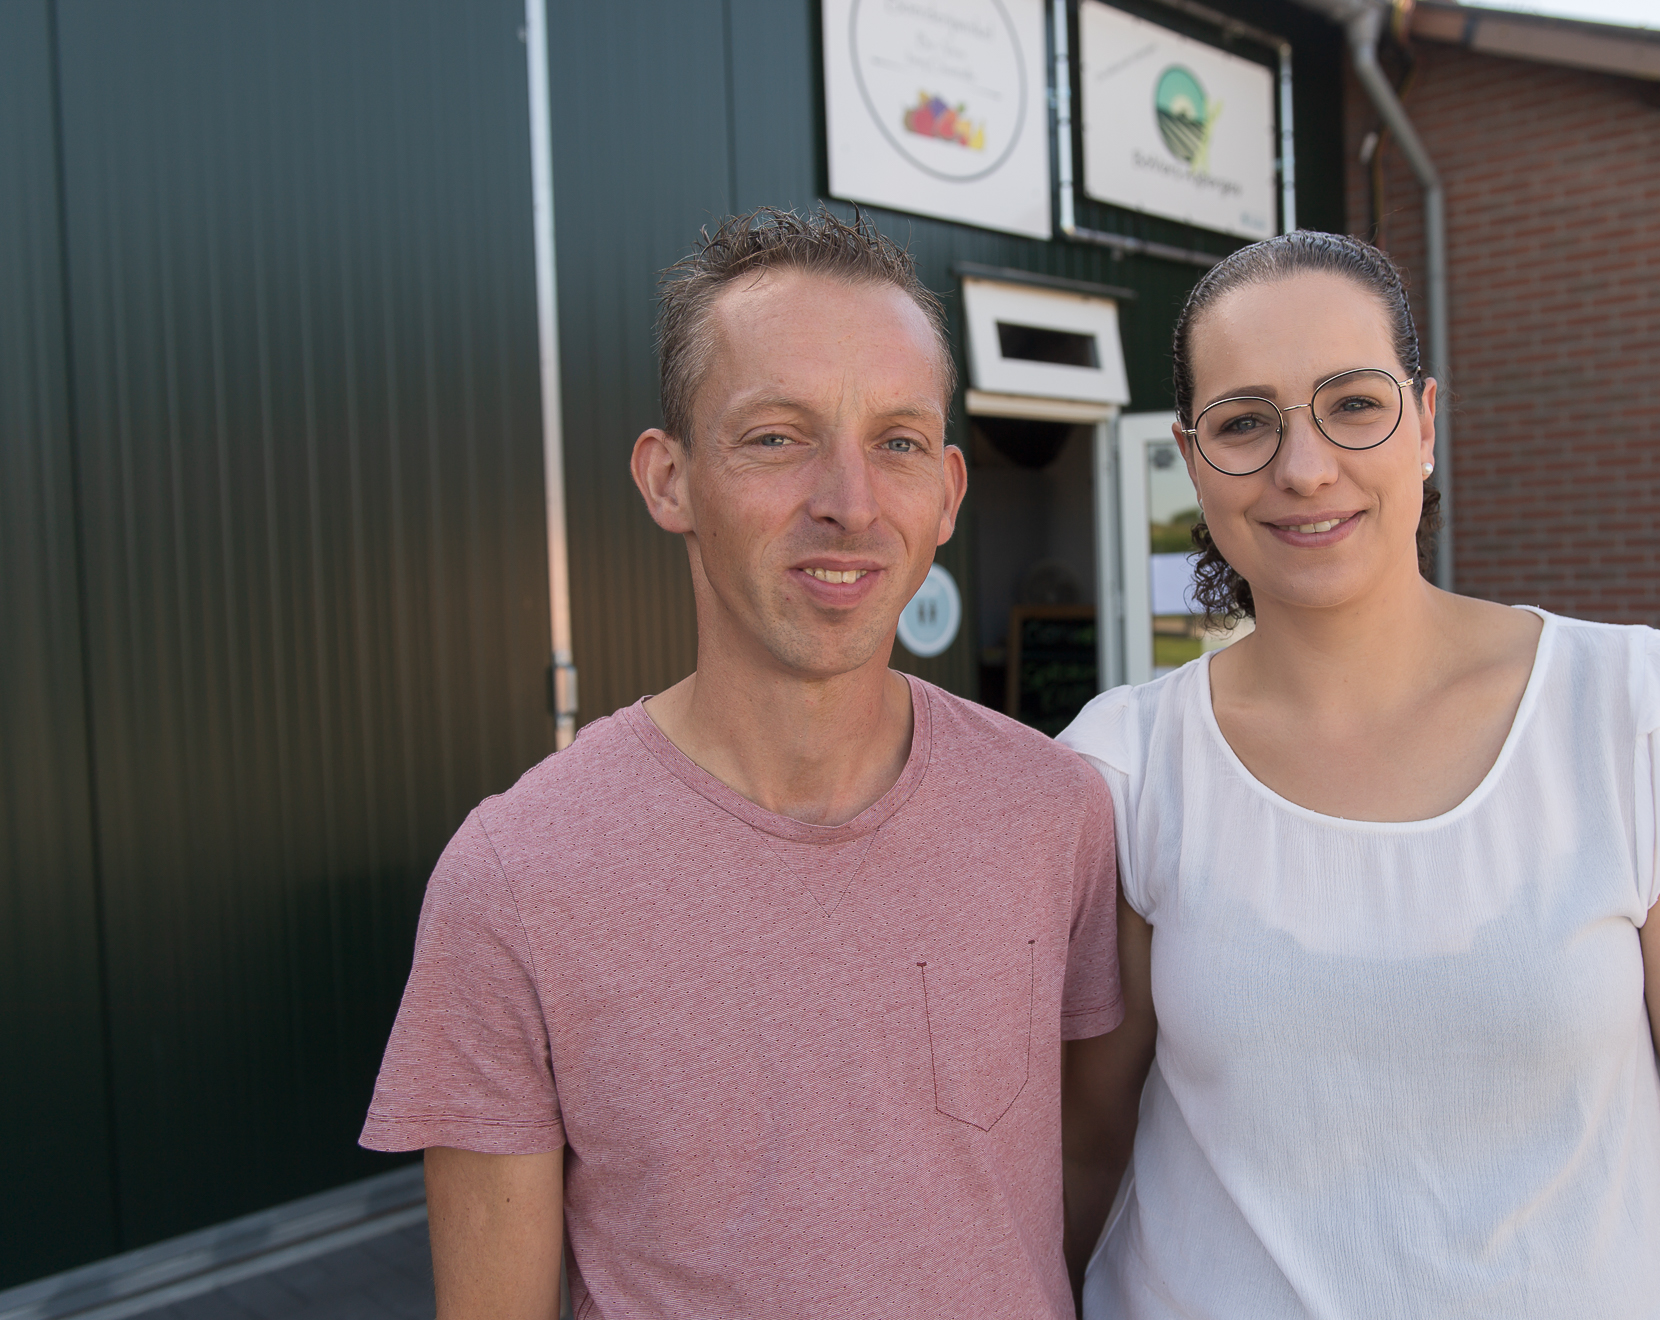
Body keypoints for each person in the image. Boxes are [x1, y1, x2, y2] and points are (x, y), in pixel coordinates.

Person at [1058, 230, 1660, 1320]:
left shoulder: (1631, 708)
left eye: (1353, 404)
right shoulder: (1125, 766)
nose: (1303, 466)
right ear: (1196, 462)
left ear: (1425, 423)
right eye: (1246, 422)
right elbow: (1079, 1158)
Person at [361, 207, 1123, 1319]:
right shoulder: (516, 880)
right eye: (777, 436)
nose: (849, 503)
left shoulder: (1057, 812)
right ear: (668, 480)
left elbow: (1087, 1175)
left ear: (950, 493)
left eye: (897, 441)